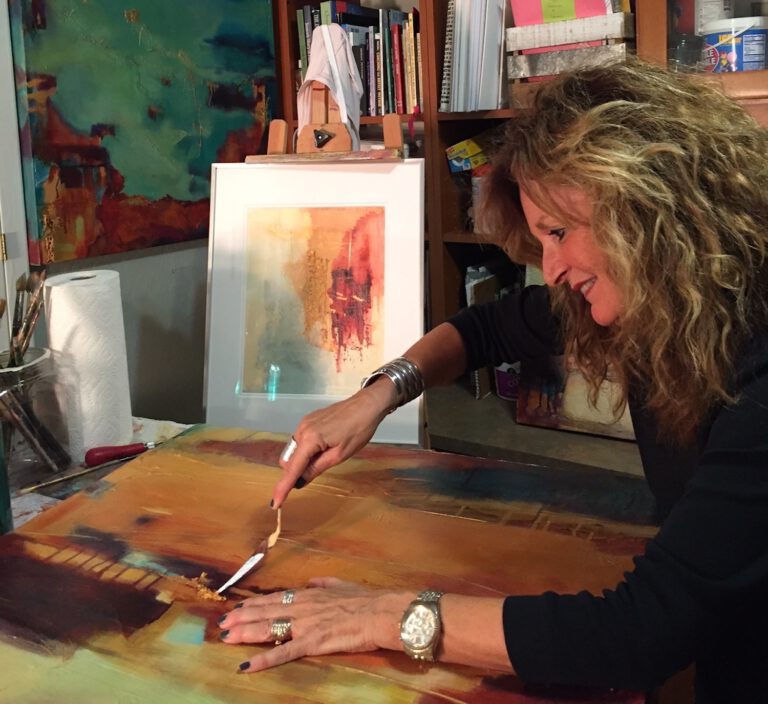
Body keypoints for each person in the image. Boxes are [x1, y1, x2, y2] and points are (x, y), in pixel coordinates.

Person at [218, 57, 768, 704]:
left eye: (560, 233)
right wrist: (378, 394)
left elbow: (637, 632)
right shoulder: (664, 300)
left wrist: (385, 616)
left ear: (648, 205)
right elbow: (489, 328)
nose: (554, 269)